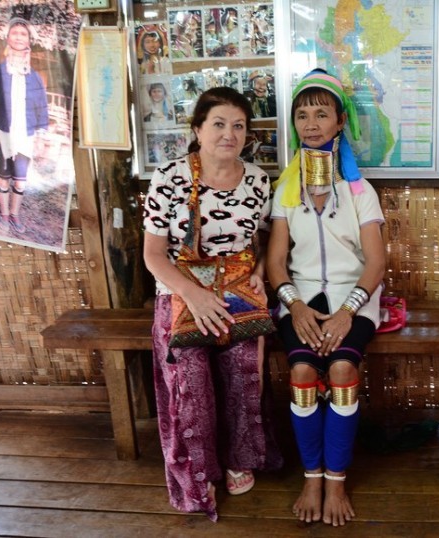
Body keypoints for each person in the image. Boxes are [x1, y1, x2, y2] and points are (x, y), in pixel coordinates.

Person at [143, 86, 283, 522]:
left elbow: (260, 243)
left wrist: (259, 275)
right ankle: (197, 472)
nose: (229, 134)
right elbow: (152, 255)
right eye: (219, 124)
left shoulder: (259, 181)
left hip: (237, 291)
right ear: (198, 129)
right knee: (191, 386)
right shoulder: (169, 177)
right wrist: (194, 294)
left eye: (238, 126)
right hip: (181, 292)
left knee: (245, 375)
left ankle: (241, 457)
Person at [266, 68, 386, 526]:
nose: (311, 123)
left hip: (354, 299)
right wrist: (295, 306)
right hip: (299, 299)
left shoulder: (360, 191)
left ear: (340, 122)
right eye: (302, 114)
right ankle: (311, 477)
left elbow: (375, 264)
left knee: (340, 369)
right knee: (300, 372)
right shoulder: (286, 190)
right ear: (294, 125)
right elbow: (277, 263)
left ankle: (335, 479)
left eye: (322, 113)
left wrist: (344, 314)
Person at [0, 16, 48, 235]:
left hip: (25, 136)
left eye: (23, 34)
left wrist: (40, 138)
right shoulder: (0, 73)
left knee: (20, 182)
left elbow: (41, 108)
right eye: (15, 33)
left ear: (29, 40)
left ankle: (15, 215)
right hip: (4, 134)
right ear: (8, 38)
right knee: (4, 176)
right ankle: (3, 214)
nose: (19, 37)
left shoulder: (35, 78)